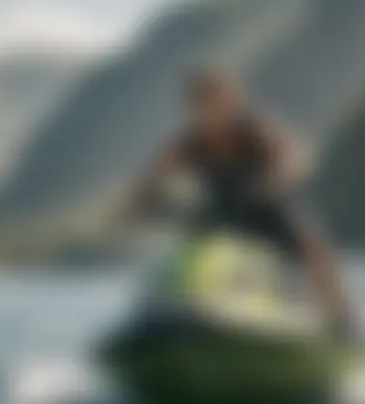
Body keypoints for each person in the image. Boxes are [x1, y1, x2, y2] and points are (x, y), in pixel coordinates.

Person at [125, 68, 352, 337]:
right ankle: (182, 312)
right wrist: (137, 201)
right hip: (223, 214)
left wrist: (275, 179)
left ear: (229, 101)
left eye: (212, 101)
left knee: (313, 247)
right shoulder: (190, 143)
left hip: (267, 209)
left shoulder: (254, 130)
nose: (206, 111)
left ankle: (342, 324)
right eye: (199, 103)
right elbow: (154, 174)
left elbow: (294, 159)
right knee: (182, 255)